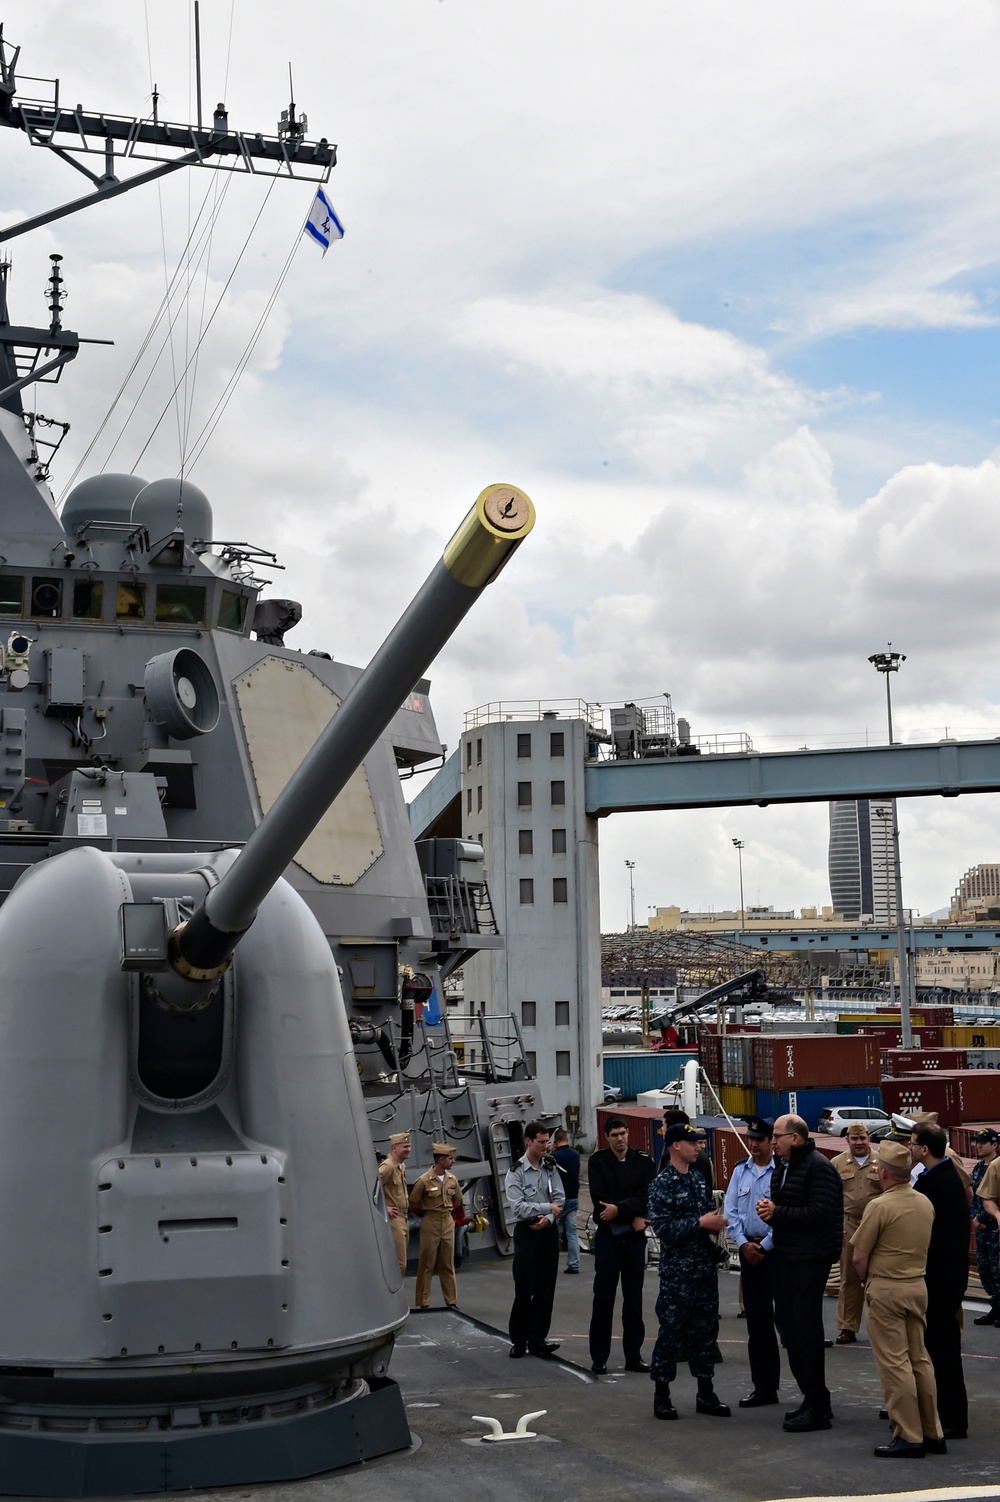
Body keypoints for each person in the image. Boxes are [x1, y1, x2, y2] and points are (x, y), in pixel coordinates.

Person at [850, 1139, 944, 1459]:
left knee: (895, 1363)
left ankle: (908, 1433)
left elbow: (859, 1255)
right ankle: (933, 1431)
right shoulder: (924, 1203)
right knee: (920, 1360)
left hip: (887, 1287)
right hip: (917, 1284)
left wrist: (864, 1280)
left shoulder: (880, 1206)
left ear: (884, 1174)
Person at [756, 1113, 843, 1432]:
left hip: (810, 1258)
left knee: (805, 1330)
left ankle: (818, 1406)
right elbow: (788, 1209)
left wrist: (779, 1212)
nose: (772, 1140)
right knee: (791, 1330)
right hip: (789, 1255)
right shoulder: (784, 1167)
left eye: (777, 1135)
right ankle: (812, 1397)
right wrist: (771, 1214)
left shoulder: (818, 1167)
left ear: (795, 1137)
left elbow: (821, 1213)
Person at [647, 1122, 730, 1420]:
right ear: (676, 1146)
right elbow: (665, 1229)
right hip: (677, 1274)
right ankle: (662, 1394)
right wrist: (700, 1223)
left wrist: (715, 1242)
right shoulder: (661, 1184)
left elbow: (704, 1221)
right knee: (670, 1332)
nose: (699, 1147)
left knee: (705, 1331)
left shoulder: (697, 1180)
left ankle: (705, 1393)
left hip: (703, 1270)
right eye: (693, 1142)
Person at [910, 1122, 970, 1439]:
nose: (909, 1147)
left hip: (941, 1278)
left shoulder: (938, 1182)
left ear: (924, 1149)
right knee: (936, 1345)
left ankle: (952, 1418)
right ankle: (940, 1411)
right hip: (947, 1274)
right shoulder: (943, 1176)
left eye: (912, 1142)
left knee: (942, 1348)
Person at [587, 1116, 655, 1375]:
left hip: (635, 1241)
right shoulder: (597, 1162)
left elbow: (646, 1194)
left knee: (634, 1300)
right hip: (608, 1240)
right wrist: (630, 1211)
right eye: (614, 1134)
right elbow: (601, 1201)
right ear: (607, 1137)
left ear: (629, 1134)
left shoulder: (643, 1162)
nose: (620, 1138)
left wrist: (623, 1209)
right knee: (603, 1299)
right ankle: (599, 1356)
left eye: (623, 1133)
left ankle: (633, 1355)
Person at [723, 1117, 781, 1407]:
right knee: (757, 1324)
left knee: (786, 1321)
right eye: (751, 1138)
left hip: (775, 1253)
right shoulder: (740, 1171)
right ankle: (764, 1387)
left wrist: (766, 1245)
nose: (754, 1144)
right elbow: (730, 1211)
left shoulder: (781, 1171)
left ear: (772, 1140)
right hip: (749, 1252)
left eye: (759, 1139)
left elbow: (786, 1213)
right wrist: (744, 1245)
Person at [505, 1121, 564, 1358]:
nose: (545, 1146)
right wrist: (545, 1207)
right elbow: (518, 1207)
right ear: (528, 1141)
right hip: (527, 1233)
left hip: (547, 1231)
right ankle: (519, 1340)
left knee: (545, 1289)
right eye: (540, 1142)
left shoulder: (551, 1167)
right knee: (524, 1288)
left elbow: (560, 1198)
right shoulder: (515, 1172)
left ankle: (538, 1339)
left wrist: (548, 1218)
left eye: (547, 1141)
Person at [831, 1122, 882, 1344]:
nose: (859, 1143)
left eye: (862, 1138)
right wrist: (836, 1225)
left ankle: (883, 1326)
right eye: (854, 1139)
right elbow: (831, 1199)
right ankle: (847, 1327)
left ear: (868, 1138)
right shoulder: (837, 1164)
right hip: (849, 1225)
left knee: (881, 1276)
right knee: (849, 1277)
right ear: (848, 1140)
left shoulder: (882, 1162)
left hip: (877, 1225)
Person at [408, 1142, 464, 1311]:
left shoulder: (452, 1179)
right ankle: (423, 1301)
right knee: (427, 1263)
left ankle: (451, 1301)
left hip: (447, 1221)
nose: (453, 1162)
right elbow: (413, 1203)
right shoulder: (424, 1180)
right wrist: (427, 1215)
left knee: (447, 1263)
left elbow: (457, 1201)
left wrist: (445, 1213)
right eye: (450, 1159)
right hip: (430, 1222)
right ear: (441, 1160)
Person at [970, 1128, 1000, 1326]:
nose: (978, 1145)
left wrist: (983, 1217)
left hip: (995, 1228)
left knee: (998, 1270)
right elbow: (974, 1196)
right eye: (977, 1142)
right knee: (985, 1269)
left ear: (995, 1145)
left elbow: (993, 1199)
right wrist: (974, 1217)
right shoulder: (979, 1168)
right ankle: (995, 1307)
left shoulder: (996, 1168)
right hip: (981, 1229)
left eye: (983, 1142)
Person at [378, 1130, 412, 1276]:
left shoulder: (400, 1166)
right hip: (394, 1219)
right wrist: (384, 1208)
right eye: (405, 1146)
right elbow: (368, 1187)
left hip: (404, 1217)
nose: (408, 1149)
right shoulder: (388, 1167)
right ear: (394, 1148)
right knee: (400, 1264)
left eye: (409, 1146)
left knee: (402, 1262)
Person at [552, 1128, 581, 1275]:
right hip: (574, 1198)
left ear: (555, 1142)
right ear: (567, 1139)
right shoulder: (576, 1155)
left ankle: (549, 1264)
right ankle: (574, 1264)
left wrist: (552, 1151)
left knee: (552, 1233)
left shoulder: (554, 1156)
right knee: (572, 1233)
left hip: (559, 1201)